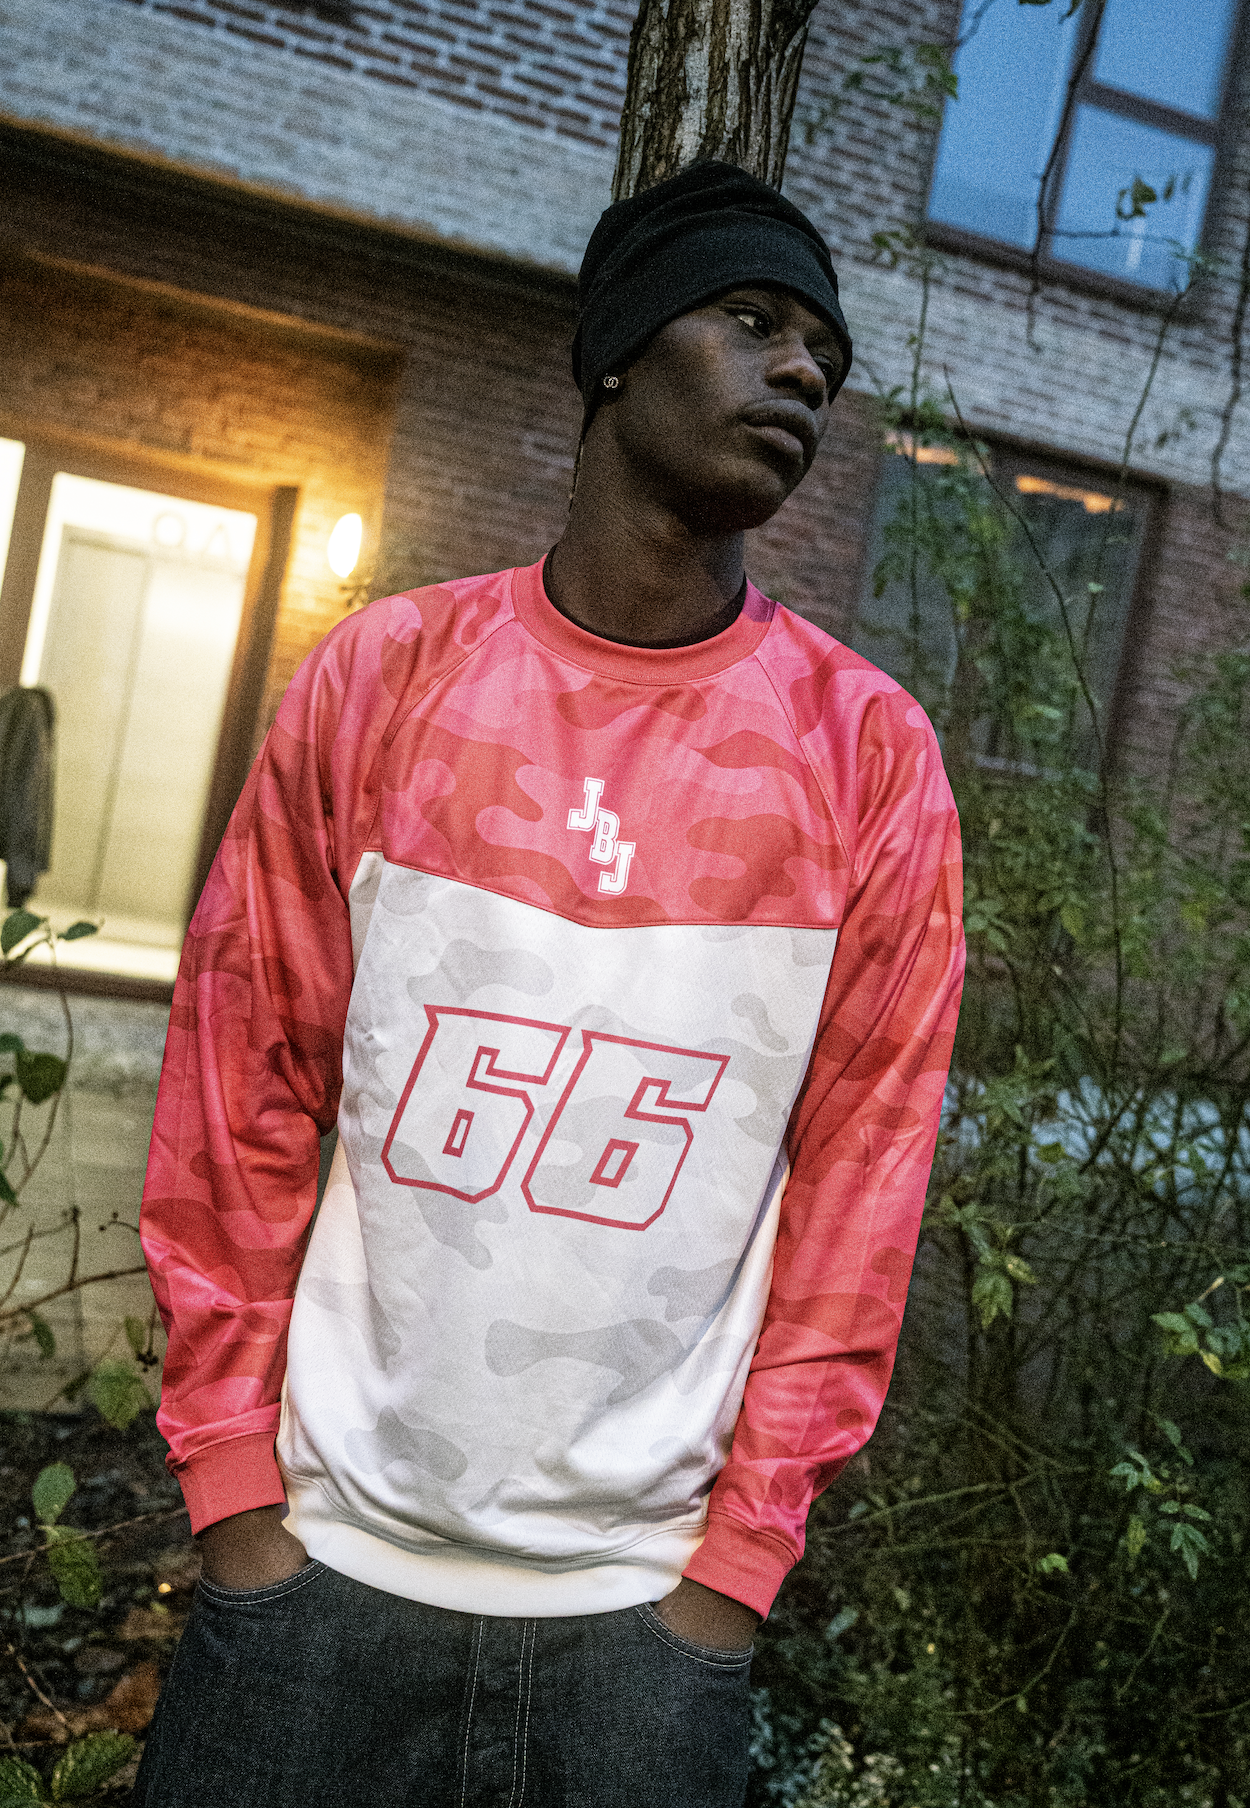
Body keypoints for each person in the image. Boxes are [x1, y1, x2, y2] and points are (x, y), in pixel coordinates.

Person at [134, 163, 964, 1808]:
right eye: (751, 320)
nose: (802, 369)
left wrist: (734, 1575)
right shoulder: (387, 677)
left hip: (640, 1635)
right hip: (316, 1577)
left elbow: (861, 1189)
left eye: (823, 351)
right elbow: (240, 1077)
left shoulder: (865, 754)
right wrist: (232, 1490)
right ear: (618, 352)